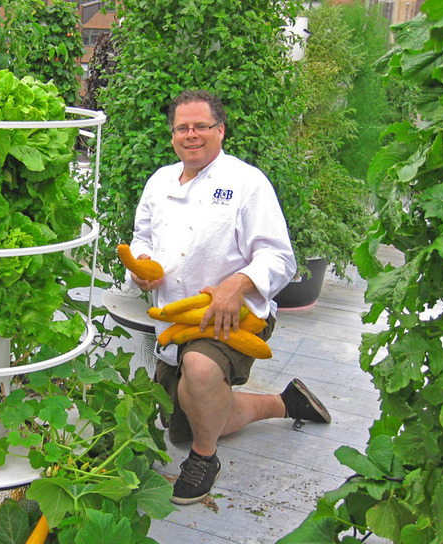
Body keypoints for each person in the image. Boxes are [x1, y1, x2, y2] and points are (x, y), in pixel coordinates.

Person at [126, 90, 331, 506]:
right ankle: (285, 402)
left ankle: (204, 459)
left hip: (231, 318)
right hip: (173, 319)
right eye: (182, 127)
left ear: (220, 131)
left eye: (201, 126)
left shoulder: (246, 183)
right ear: (172, 135)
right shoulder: (159, 182)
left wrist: (237, 284)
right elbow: (142, 238)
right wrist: (140, 265)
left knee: (200, 374)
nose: (191, 135)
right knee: (187, 419)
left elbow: (280, 257)